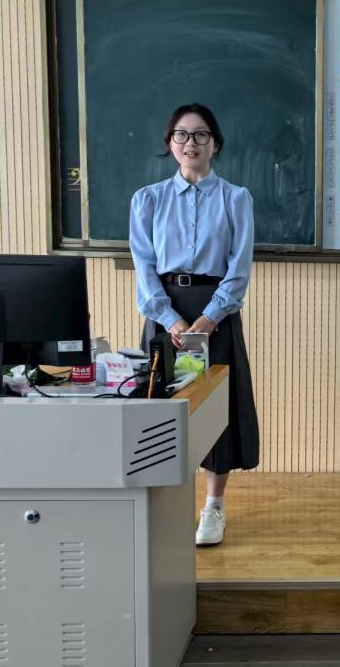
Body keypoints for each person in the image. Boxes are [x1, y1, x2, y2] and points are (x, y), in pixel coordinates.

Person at [129, 103, 259, 546]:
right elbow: (144, 267)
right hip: (165, 314)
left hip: (214, 313)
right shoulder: (148, 199)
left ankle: (213, 507)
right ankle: (165, 506)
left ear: (215, 143)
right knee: (162, 409)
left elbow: (238, 270)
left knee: (214, 410)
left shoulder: (236, 199)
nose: (191, 143)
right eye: (182, 135)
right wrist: (171, 319)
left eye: (201, 134)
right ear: (170, 143)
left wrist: (206, 320)